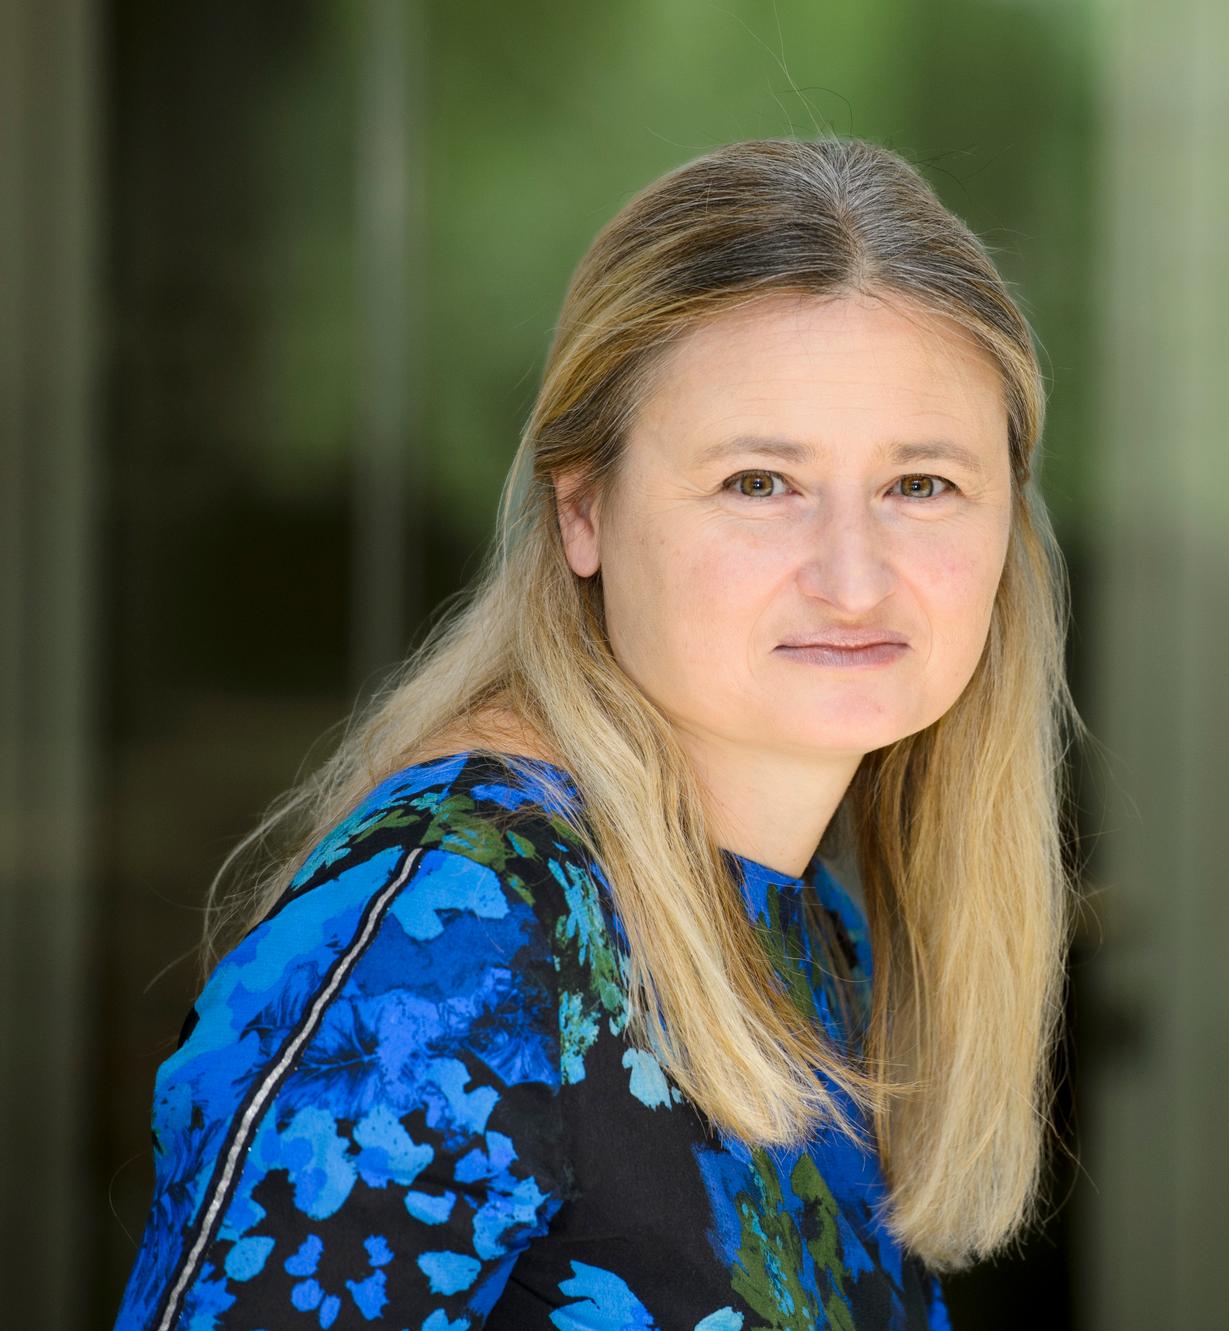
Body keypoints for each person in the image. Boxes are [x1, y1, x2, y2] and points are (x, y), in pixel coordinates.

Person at [113, 135, 1081, 1331]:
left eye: (920, 485)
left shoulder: (813, 929)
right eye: (758, 482)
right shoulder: (448, 942)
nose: (853, 575)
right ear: (584, 511)